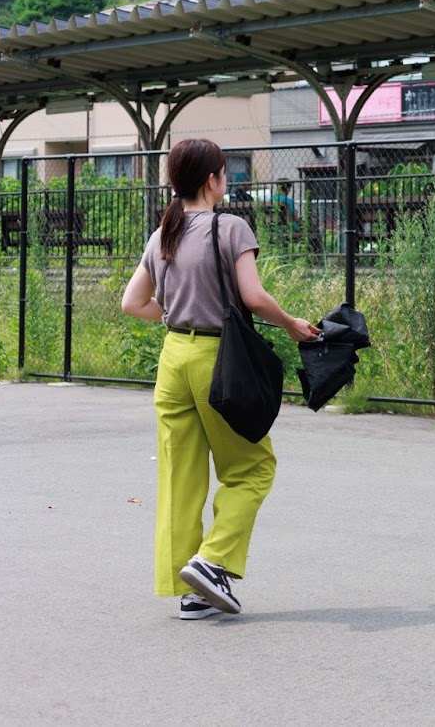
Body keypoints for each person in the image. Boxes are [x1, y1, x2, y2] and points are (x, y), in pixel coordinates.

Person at [120, 138, 320, 619]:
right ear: (213, 179)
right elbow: (252, 297)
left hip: (173, 359)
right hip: (217, 359)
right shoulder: (229, 227)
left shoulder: (162, 233)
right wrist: (291, 323)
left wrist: (175, 310)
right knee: (251, 468)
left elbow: (132, 303)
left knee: (180, 479)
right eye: (226, 174)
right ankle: (211, 563)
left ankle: (189, 591)